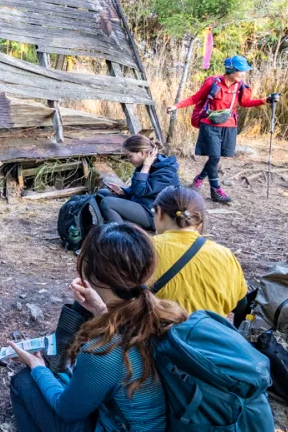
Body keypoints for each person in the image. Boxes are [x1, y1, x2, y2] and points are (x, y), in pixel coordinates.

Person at [9, 223, 185, 432]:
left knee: (25, 385)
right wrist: (101, 310)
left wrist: (36, 367)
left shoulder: (103, 350)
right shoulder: (170, 316)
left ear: (92, 275)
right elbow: (129, 347)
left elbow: (67, 410)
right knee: (67, 382)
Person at [173, 55, 276, 204]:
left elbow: (245, 103)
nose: (243, 73)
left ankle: (199, 178)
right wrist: (177, 106)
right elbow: (195, 98)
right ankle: (216, 190)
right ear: (232, 70)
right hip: (210, 124)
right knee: (214, 157)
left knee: (216, 157)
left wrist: (264, 101)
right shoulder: (213, 82)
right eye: (241, 70)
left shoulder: (240, 86)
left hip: (229, 125)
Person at [150, 186, 247, 316]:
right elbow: (241, 304)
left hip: (155, 333)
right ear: (198, 222)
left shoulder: (144, 248)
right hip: (206, 334)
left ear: (159, 212)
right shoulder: (225, 255)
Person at [96, 135, 179, 231]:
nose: (128, 160)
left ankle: (122, 238)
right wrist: (123, 192)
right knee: (103, 193)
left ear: (142, 153)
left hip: (156, 215)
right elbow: (137, 189)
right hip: (143, 204)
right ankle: (114, 225)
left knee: (107, 203)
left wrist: (146, 166)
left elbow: (141, 190)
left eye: (130, 156)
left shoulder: (166, 171)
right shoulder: (144, 165)